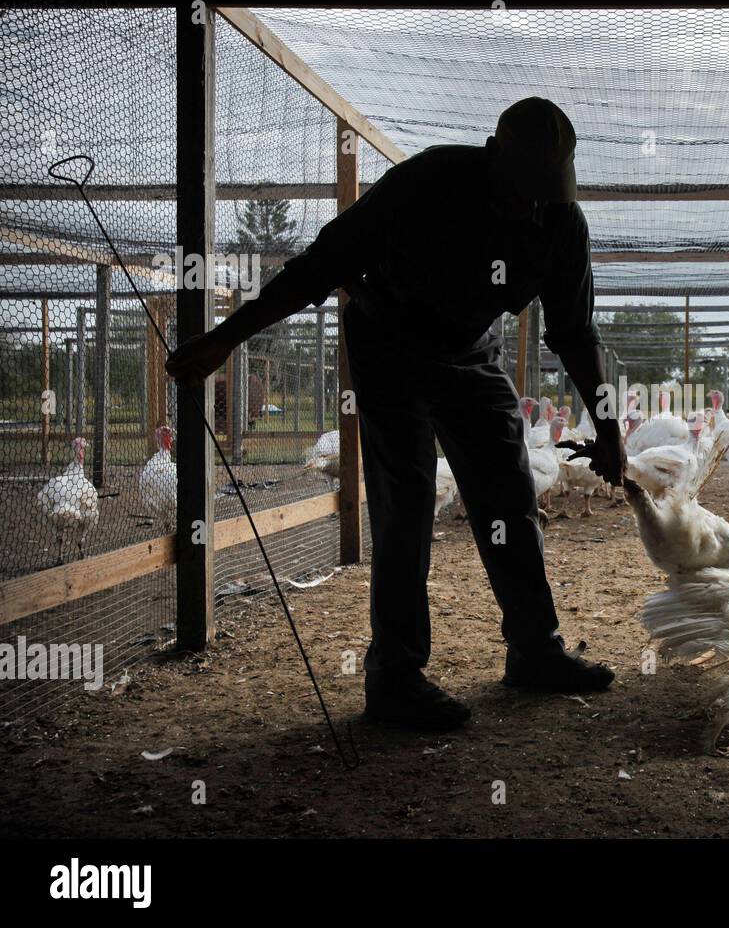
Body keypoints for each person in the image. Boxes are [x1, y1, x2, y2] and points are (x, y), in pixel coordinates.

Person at [167, 98, 625, 731]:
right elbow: (324, 263)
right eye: (525, 189)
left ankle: (535, 650)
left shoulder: (560, 222)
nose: (533, 205)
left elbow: (576, 334)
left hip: (470, 354)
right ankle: (395, 678)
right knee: (404, 503)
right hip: (391, 347)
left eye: (548, 191)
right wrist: (228, 336)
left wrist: (608, 430)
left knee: (509, 497)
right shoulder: (427, 182)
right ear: (494, 160)